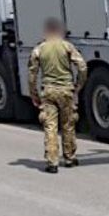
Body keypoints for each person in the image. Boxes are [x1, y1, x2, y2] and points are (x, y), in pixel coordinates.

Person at [28, 18, 87, 173]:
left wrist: (33, 94)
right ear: (59, 31)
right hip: (66, 90)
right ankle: (69, 158)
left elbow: (32, 74)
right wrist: (78, 86)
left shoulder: (39, 49)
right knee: (68, 124)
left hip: (48, 91)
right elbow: (82, 66)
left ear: (46, 31)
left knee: (50, 126)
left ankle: (52, 162)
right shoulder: (67, 46)